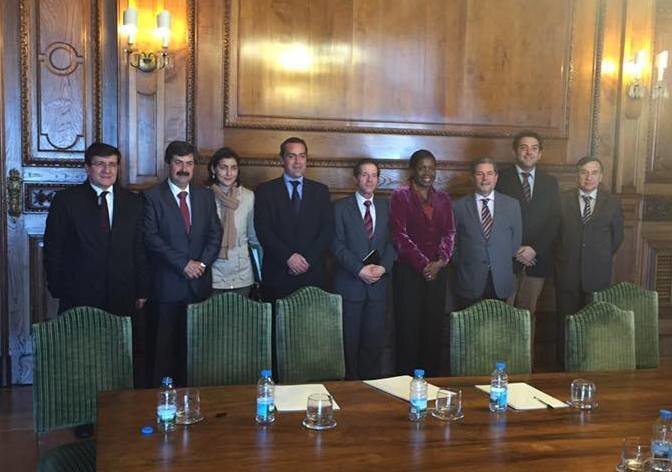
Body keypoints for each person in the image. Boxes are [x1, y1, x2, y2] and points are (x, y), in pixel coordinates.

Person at [143, 141, 222, 386]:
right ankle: (162, 402)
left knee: (197, 351)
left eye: (189, 163)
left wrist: (202, 265)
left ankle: (194, 400)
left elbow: (215, 234)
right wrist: (183, 264)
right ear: (168, 164)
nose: (184, 169)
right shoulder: (151, 196)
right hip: (167, 287)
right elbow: (151, 238)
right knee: (163, 354)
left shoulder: (205, 196)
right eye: (178, 162)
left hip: (199, 286)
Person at [43, 142, 150, 317]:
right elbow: (53, 248)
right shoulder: (66, 201)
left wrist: (142, 289)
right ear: (87, 168)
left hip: (122, 293)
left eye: (112, 164)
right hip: (78, 293)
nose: (107, 170)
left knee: (120, 336)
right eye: (100, 164)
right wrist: (58, 287)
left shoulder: (133, 202)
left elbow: (139, 249)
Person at [390, 149, 455, 376]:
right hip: (409, 273)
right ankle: (405, 381)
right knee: (408, 329)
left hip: (438, 273)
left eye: (431, 168)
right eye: (422, 168)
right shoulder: (400, 196)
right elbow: (399, 235)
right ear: (413, 170)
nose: (427, 172)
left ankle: (432, 380)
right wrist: (424, 264)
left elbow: (449, 233)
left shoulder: (443, 198)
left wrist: (440, 261)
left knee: (433, 328)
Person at [495, 131, 560, 353]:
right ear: (515, 151)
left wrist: (534, 249)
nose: (528, 152)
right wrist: (515, 249)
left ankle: (524, 366)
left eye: (534, 148)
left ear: (540, 154)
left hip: (536, 261)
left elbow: (554, 221)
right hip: (506, 261)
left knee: (527, 315)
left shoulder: (550, 183)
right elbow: (494, 219)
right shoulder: (500, 179)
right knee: (503, 315)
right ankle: (501, 365)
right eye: (523, 147)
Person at [331, 159, 396, 380]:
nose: (370, 180)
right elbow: (336, 244)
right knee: (348, 344)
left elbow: (394, 242)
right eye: (365, 175)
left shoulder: (387, 207)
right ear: (355, 178)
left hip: (378, 286)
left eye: (374, 175)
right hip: (350, 286)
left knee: (373, 344)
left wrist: (383, 267)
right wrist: (359, 270)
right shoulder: (340, 207)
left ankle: (370, 389)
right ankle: (349, 388)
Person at [555, 156, 624, 363]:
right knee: (565, 326)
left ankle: (590, 367)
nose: (589, 177)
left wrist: (597, 258)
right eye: (584, 172)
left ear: (601, 177)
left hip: (597, 276)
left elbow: (617, 237)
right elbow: (554, 236)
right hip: (567, 274)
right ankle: (563, 368)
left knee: (595, 326)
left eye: (594, 173)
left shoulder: (612, 203)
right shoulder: (561, 199)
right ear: (577, 175)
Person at [254, 137, 333, 301]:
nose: (298, 162)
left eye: (302, 156)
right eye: (291, 156)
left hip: (312, 275)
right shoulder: (265, 191)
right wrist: (288, 258)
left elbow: (327, 231)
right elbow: (263, 230)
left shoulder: (321, 191)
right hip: (277, 274)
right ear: (282, 160)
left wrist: (306, 261)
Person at [452, 157, 522, 309]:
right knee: (469, 323)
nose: (485, 179)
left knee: (497, 323)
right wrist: (468, 262)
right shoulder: (458, 207)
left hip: (500, 280)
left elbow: (515, 241)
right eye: (480, 174)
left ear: (496, 177)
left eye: (489, 173)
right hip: (470, 279)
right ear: (472, 177)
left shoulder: (512, 205)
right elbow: (453, 244)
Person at [207, 147, 260, 297]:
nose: (229, 173)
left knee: (241, 312)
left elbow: (253, 238)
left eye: (233, 168)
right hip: (213, 271)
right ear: (213, 169)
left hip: (241, 272)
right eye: (223, 168)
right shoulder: (204, 196)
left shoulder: (248, 196)